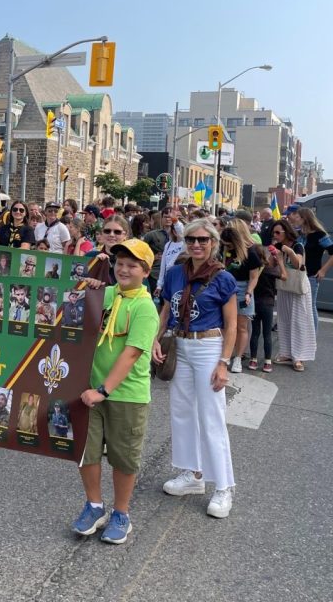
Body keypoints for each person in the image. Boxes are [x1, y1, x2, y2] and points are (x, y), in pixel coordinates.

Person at [71, 238, 159, 544]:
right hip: (89, 391)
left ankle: (121, 513)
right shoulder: (106, 295)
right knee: (86, 451)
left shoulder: (145, 308)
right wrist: (87, 282)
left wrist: (104, 390)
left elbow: (132, 353)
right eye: (119, 263)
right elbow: (70, 299)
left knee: (123, 459)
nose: (124, 269)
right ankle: (94, 506)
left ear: (145, 271)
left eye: (132, 265)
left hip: (125, 396)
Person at [152, 219, 237, 519]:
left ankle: (224, 486)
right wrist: (155, 340)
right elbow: (165, 310)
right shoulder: (176, 273)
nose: (196, 245)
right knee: (182, 411)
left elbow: (232, 324)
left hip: (208, 347)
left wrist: (223, 363)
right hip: (181, 345)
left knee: (211, 416)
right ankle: (193, 474)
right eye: (191, 240)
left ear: (213, 243)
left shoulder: (222, 278)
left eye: (202, 240)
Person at [271, 219, 316, 372]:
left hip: (297, 287)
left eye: (278, 232)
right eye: (274, 233)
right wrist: (274, 255)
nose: (275, 236)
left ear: (286, 232)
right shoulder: (276, 246)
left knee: (299, 321)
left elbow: (299, 264)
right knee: (284, 319)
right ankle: (286, 353)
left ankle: (299, 357)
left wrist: (288, 251)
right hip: (284, 286)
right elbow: (271, 265)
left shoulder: (297, 245)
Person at [220, 221, 263, 373]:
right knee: (225, 324)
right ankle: (226, 355)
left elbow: (254, 276)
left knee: (241, 326)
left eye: (229, 244)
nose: (226, 246)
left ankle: (238, 358)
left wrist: (249, 292)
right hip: (225, 287)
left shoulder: (251, 252)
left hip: (243, 287)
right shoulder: (224, 248)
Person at [294, 207, 333, 330]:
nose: (295, 218)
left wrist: (323, 270)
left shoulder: (319, 235)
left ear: (304, 218)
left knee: (310, 307)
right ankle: (303, 335)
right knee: (299, 307)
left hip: (311, 276)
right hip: (298, 275)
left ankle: (312, 338)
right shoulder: (300, 235)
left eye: (297, 216)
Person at [248, 245, 281, 372]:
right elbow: (283, 275)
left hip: (255, 303)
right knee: (267, 334)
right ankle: (267, 362)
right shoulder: (271, 270)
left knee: (255, 333)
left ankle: (253, 360)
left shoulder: (254, 270)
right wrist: (278, 263)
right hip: (268, 304)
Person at [88, 215, 130, 285]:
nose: (111, 235)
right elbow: (74, 285)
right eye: (107, 231)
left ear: (125, 235)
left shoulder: (132, 261)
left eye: (117, 232)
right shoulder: (90, 256)